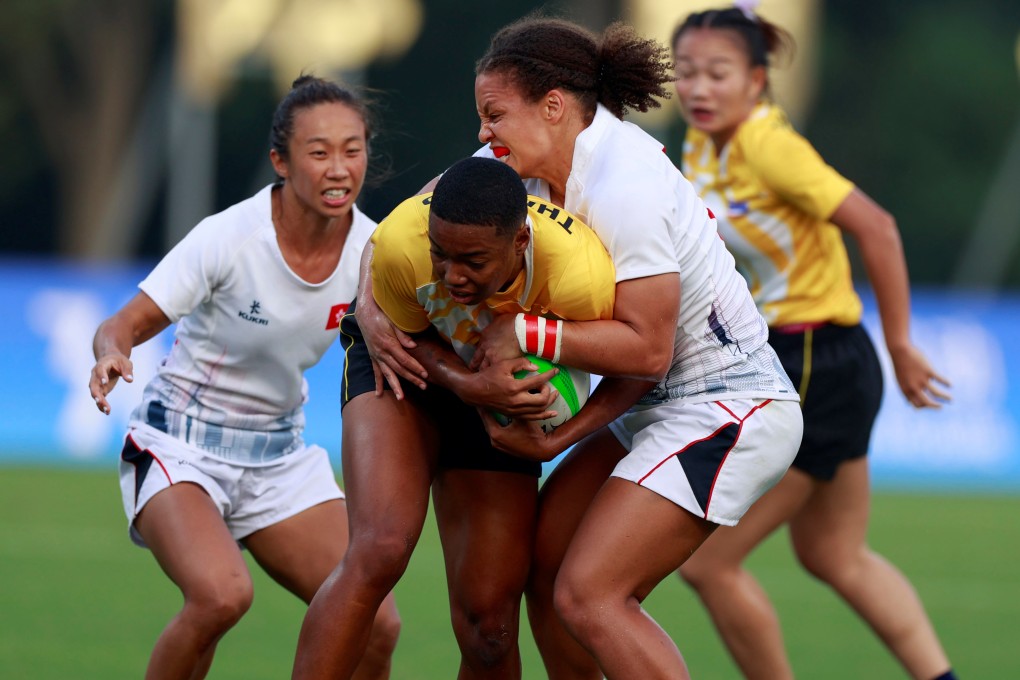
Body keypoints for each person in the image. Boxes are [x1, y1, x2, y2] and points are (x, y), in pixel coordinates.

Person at [356, 16, 803, 680]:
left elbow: (649, 351)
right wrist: (368, 304)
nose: (483, 133)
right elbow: (404, 228)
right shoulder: (515, 164)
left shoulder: (626, 184)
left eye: (494, 115)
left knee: (590, 595)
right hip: (646, 409)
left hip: (727, 406)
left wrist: (525, 338)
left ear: (555, 107)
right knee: (550, 575)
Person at [669, 6, 957, 680]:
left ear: (758, 81)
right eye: (687, 73)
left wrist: (904, 344)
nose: (699, 89)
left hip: (815, 363)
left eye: (718, 73)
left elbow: (878, 228)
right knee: (834, 556)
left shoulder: (770, 145)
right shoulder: (701, 142)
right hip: (816, 360)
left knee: (707, 564)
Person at [87, 75, 400, 680]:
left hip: (278, 458)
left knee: (377, 625)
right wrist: (111, 355)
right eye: (319, 152)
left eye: (352, 149)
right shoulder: (229, 237)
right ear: (280, 161)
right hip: (179, 445)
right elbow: (120, 324)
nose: (339, 168)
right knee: (220, 597)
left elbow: (415, 345)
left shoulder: (376, 252)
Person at [292, 155, 625, 679]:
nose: (452, 275)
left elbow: (638, 363)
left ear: (519, 243)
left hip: (500, 394)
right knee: (380, 548)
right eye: (440, 255)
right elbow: (402, 342)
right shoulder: (403, 243)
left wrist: (545, 426)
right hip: (405, 362)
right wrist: (470, 383)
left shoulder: (581, 276)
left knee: (488, 628)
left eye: (472, 260)